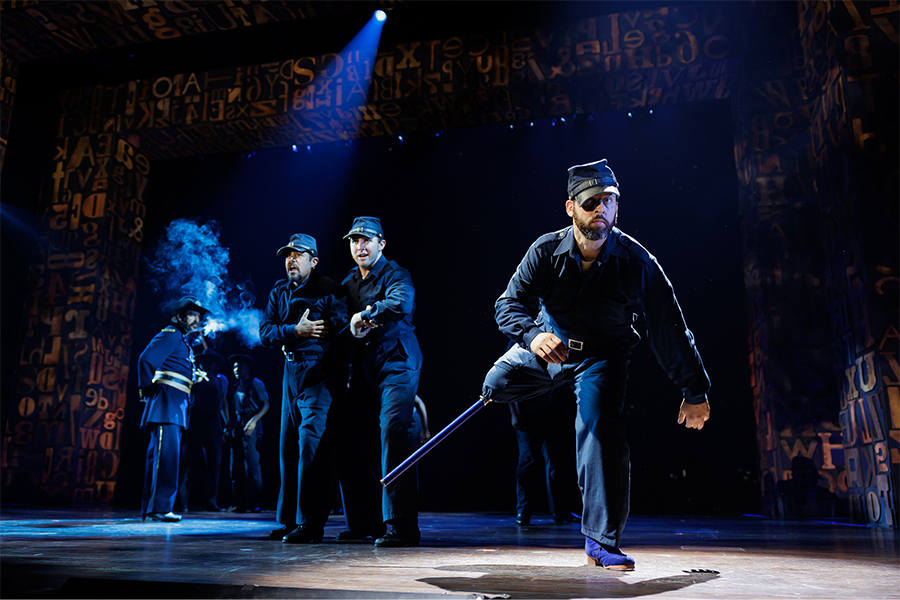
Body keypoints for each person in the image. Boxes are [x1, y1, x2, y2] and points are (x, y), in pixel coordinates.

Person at [480, 159, 711, 570]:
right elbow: (507, 305)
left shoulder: (638, 262)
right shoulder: (545, 251)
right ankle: (510, 382)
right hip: (550, 347)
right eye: (591, 203)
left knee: (600, 427)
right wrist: (533, 337)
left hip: (603, 356)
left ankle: (600, 542)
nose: (600, 210)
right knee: (495, 383)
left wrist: (694, 392)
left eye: (609, 201)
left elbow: (670, 329)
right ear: (571, 207)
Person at [337, 216, 424, 547]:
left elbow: (401, 303)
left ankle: (402, 525)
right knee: (346, 441)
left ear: (381, 244)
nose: (360, 246)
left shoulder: (395, 273)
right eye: (354, 241)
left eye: (366, 240)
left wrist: (365, 315)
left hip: (398, 362)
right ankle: (364, 522)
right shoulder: (348, 283)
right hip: (365, 368)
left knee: (393, 433)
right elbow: (338, 319)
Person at [259, 233, 349, 544]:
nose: (291, 260)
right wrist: (295, 330)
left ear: (314, 261)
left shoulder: (328, 289)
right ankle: (288, 521)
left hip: (320, 372)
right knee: (287, 447)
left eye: (299, 255)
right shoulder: (279, 291)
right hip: (290, 371)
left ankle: (310, 522)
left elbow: (341, 327)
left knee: (311, 445)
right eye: (288, 255)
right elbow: (265, 331)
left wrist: (318, 338)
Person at [138, 295, 209, 523]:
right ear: (180, 316)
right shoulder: (171, 334)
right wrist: (146, 391)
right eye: (193, 315)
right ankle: (159, 508)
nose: (197, 320)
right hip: (166, 405)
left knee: (163, 457)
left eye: (199, 316)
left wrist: (193, 377)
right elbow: (146, 360)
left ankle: (153, 508)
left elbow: (174, 371)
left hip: (174, 406)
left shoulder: (182, 341)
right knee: (165, 458)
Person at [510, 386, 581, 526]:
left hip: (553, 410)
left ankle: (561, 511)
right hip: (530, 411)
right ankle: (524, 511)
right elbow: (512, 385)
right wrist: (515, 413)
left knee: (557, 461)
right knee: (529, 460)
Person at [177, 349, 229, 512]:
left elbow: (223, 402)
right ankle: (181, 502)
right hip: (195, 423)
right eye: (203, 361)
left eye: (209, 361)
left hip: (213, 424)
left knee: (214, 463)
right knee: (186, 462)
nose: (206, 364)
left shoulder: (221, 380)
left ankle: (211, 501)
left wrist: (227, 424)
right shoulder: (193, 378)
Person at [225, 353, 270, 513]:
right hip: (238, 426)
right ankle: (239, 503)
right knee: (236, 465)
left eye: (240, 367)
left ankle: (256, 503)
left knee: (252, 466)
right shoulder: (235, 387)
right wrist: (228, 427)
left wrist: (254, 421)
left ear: (248, 368)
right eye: (234, 367)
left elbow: (266, 405)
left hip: (252, 428)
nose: (236, 370)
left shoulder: (256, 384)